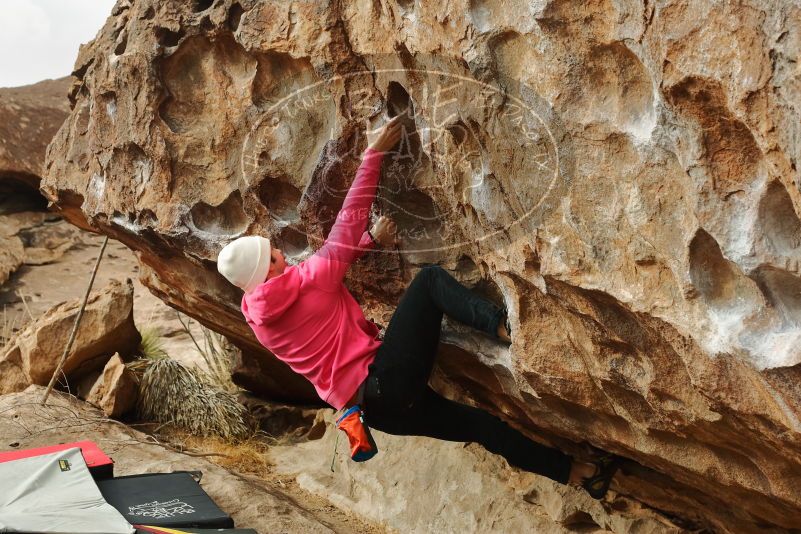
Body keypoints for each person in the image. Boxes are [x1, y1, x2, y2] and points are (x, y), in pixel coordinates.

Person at [216, 115, 619, 498]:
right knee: (428, 282)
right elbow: (344, 228)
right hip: (386, 379)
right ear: (263, 274)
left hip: (380, 414)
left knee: (483, 427)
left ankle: (577, 473)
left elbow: (321, 294)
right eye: (272, 258)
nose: (282, 257)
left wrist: (370, 243)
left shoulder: (259, 319)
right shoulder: (308, 282)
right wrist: (372, 155)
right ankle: (501, 327)